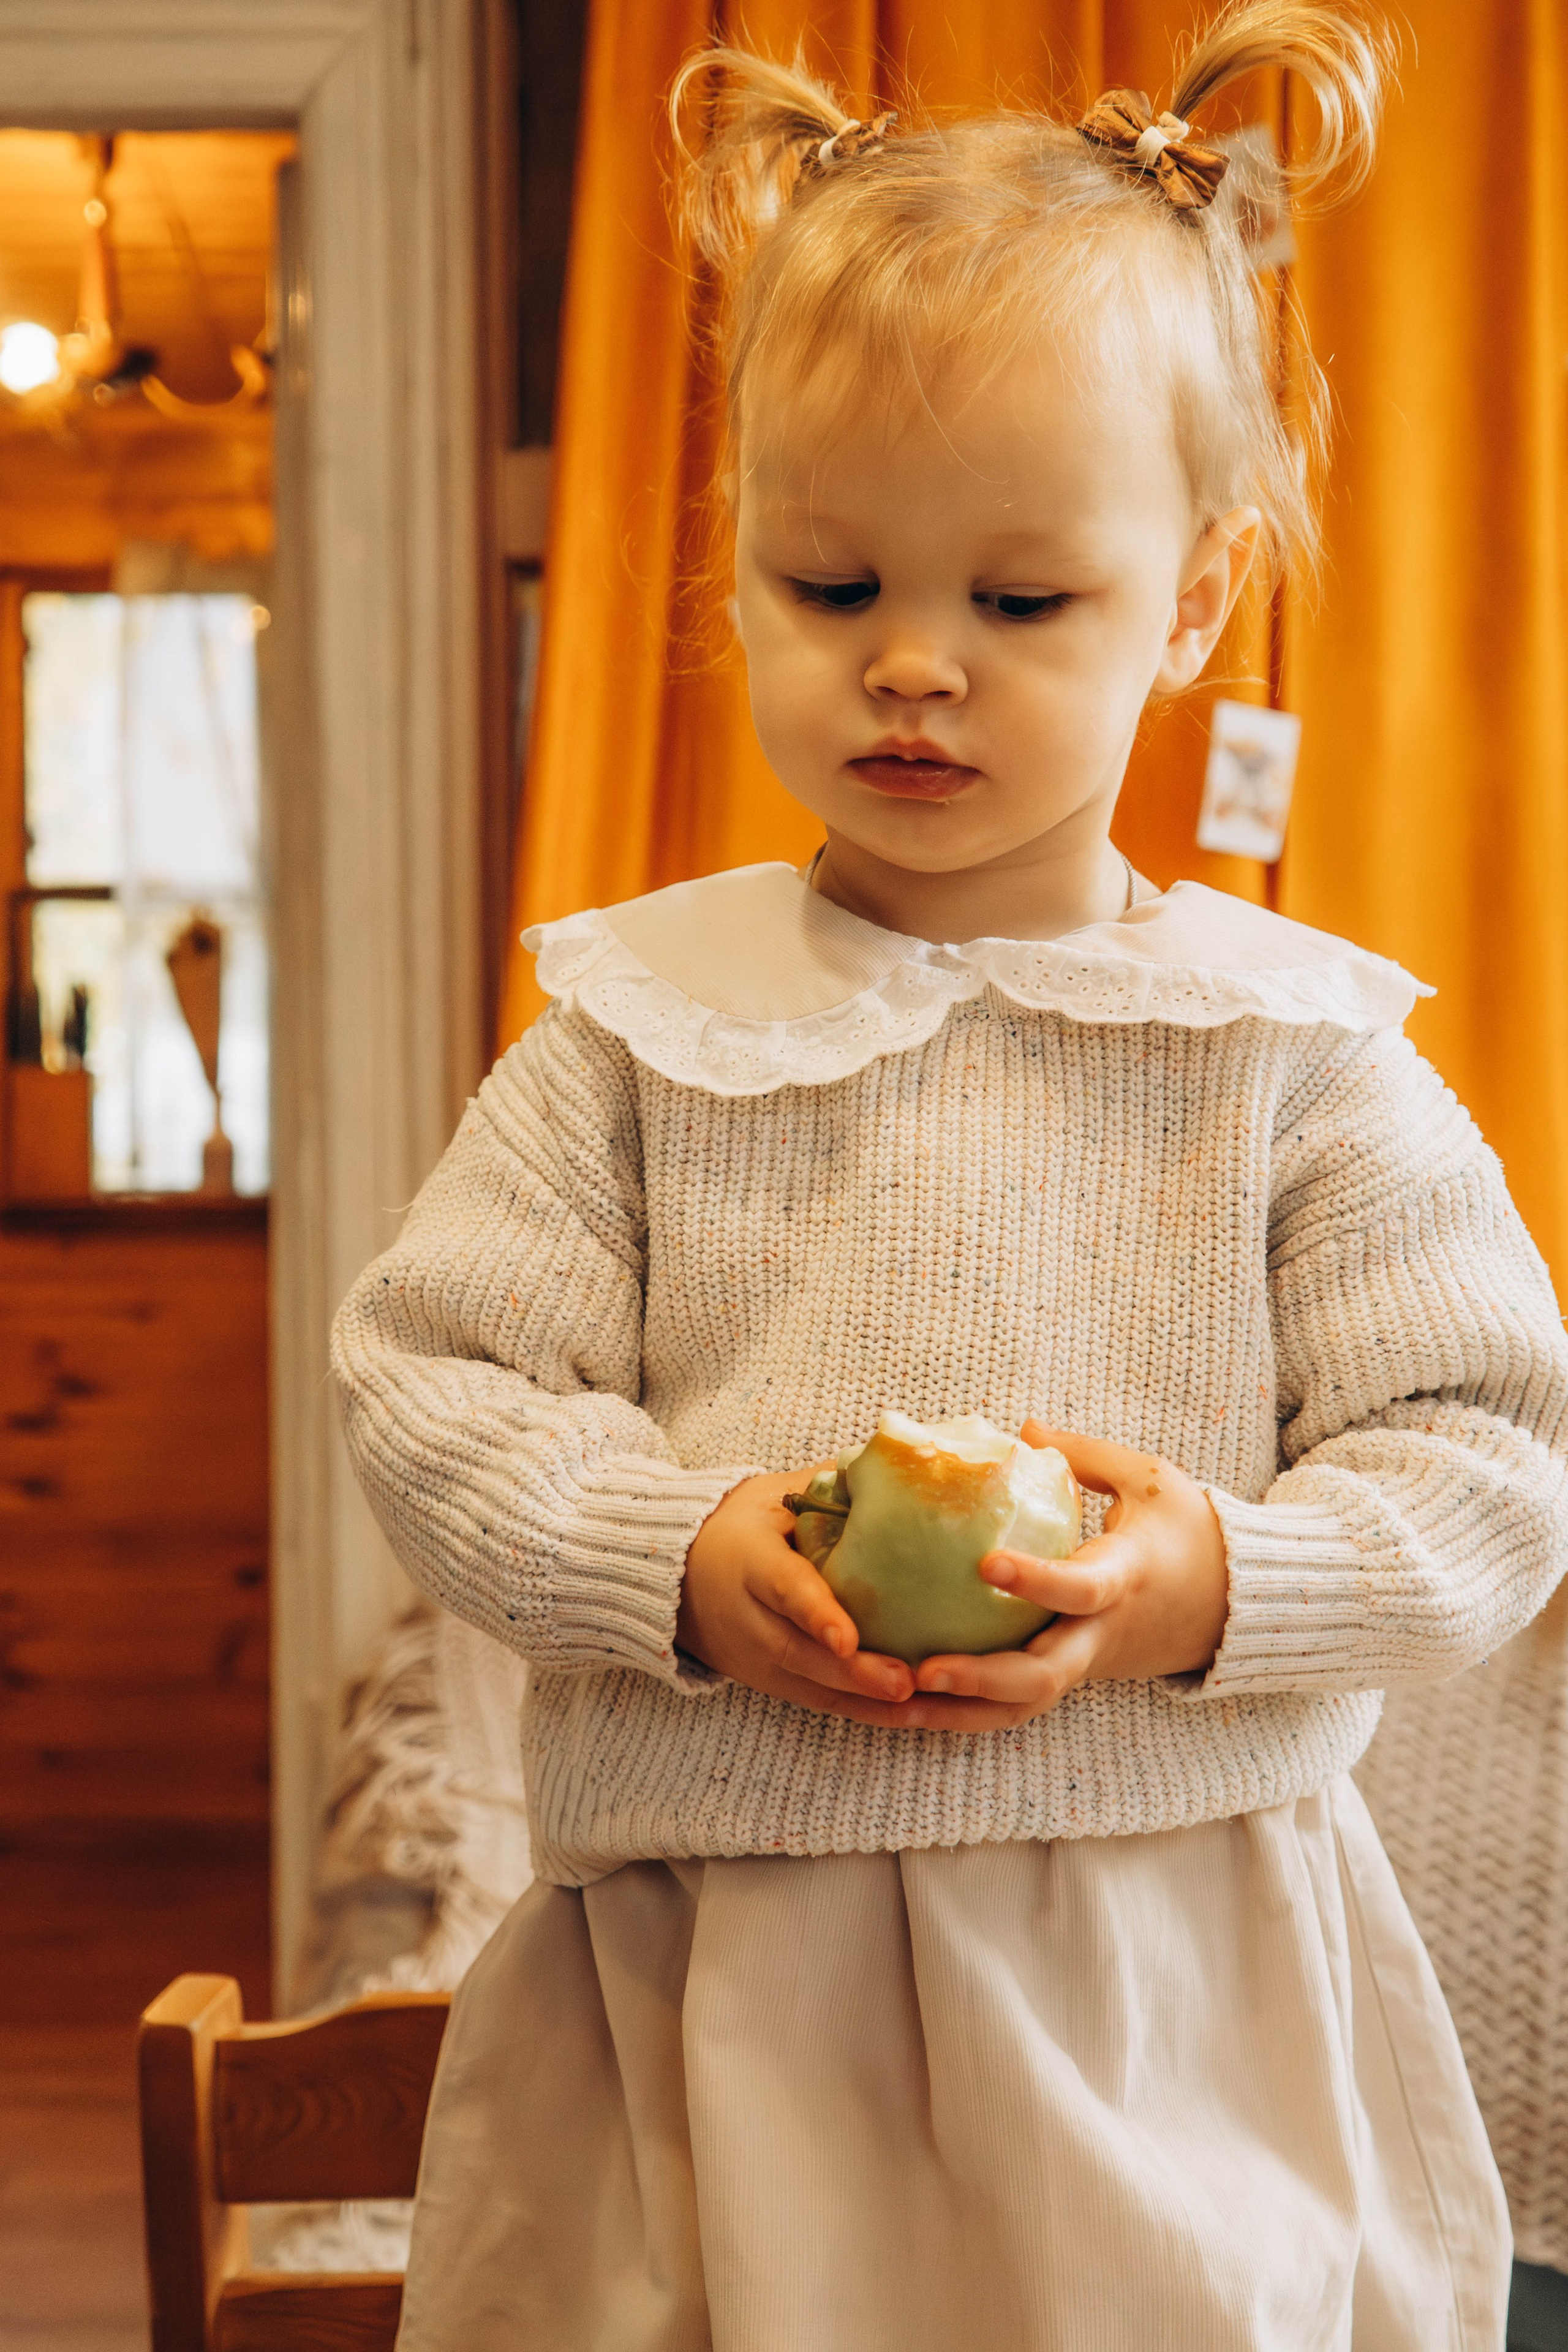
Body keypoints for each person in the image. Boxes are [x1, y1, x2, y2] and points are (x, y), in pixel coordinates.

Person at [331, 7, 1568, 2343]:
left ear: (1194, 601)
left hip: (1176, 2002)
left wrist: (1221, 1585)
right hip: (706, 2007)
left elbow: (1495, 1460)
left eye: (1019, 606)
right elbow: (432, 1389)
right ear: (739, 566)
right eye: (830, 585)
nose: (913, 669)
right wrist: (671, 1552)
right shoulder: (636, 1035)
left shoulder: (1296, 1061)